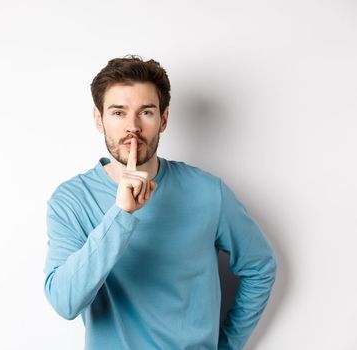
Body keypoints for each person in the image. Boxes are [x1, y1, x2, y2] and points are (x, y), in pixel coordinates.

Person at [42, 55, 277, 349]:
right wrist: (121, 214)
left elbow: (260, 266)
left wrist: (228, 345)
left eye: (146, 112)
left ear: (163, 119)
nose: (132, 127)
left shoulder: (207, 191)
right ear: (98, 119)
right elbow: (65, 302)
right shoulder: (71, 200)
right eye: (118, 113)